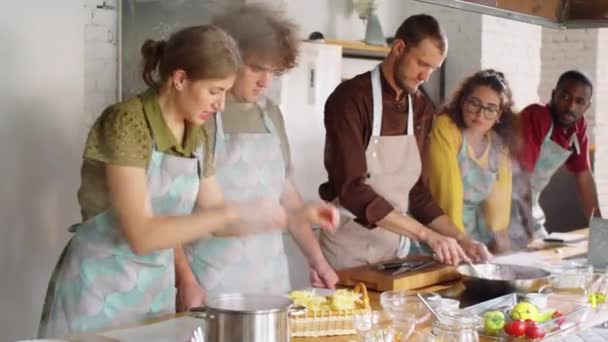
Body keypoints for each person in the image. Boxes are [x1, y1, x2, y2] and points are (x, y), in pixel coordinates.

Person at [38, 25, 297, 338]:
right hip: (98, 289)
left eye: (225, 93)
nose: (221, 105)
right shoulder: (126, 123)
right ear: (180, 79)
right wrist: (230, 213)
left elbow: (216, 219)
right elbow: (142, 235)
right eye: (215, 91)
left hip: (154, 292)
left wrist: (270, 215)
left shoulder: (195, 134)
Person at [185, 4, 339, 298]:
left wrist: (318, 261)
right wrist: (186, 281)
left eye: (273, 71)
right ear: (228, 60)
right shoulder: (201, 115)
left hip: (269, 278)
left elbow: (289, 200)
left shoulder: (271, 115)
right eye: (256, 68)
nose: (265, 81)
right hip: (210, 278)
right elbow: (173, 210)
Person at [319, 14, 491, 271]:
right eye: (422, 63)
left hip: (394, 253)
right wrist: (425, 235)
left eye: (433, 68)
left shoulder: (421, 108)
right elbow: (352, 189)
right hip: (347, 252)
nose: (426, 76)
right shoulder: (350, 99)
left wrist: (462, 239)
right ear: (399, 48)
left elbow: (417, 193)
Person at [426, 70, 517, 253]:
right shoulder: (446, 128)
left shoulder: (499, 146)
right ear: (462, 101)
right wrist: (461, 242)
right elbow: (447, 192)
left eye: (491, 108)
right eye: (475, 103)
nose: (480, 114)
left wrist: (500, 245)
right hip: (439, 236)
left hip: (474, 241)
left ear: (499, 114)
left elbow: (499, 210)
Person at [510, 70, 601, 249]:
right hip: (504, 203)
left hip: (530, 208)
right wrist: (527, 229)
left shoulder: (577, 125)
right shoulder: (537, 116)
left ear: (587, 107)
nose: (571, 106)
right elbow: (521, 177)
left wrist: (599, 227)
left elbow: (583, 175)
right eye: (565, 97)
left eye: (579, 101)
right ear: (553, 95)